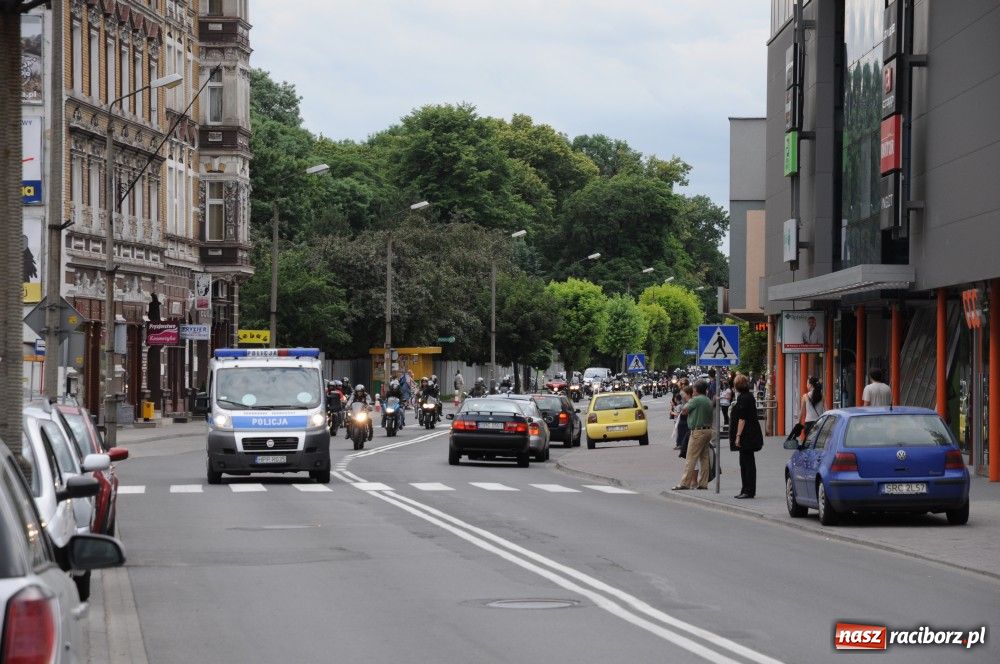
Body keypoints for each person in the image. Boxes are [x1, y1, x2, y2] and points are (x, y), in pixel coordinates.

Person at [673, 381, 713, 490]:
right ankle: (703, 483)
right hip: (708, 431)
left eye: (694, 389)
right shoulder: (708, 400)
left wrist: (687, 402)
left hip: (697, 431)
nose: (693, 391)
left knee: (691, 457)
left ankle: (685, 483)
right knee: (704, 458)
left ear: (696, 390)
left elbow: (684, 411)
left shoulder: (696, 400)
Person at [730, 374, 764, 499]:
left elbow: (742, 419)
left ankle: (748, 490)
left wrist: (738, 436)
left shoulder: (744, 398)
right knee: (745, 462)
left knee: (747, 463)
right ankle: (746, 488)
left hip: (747, 436)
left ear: (737, 386)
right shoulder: (747, 397)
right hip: (749, 435)